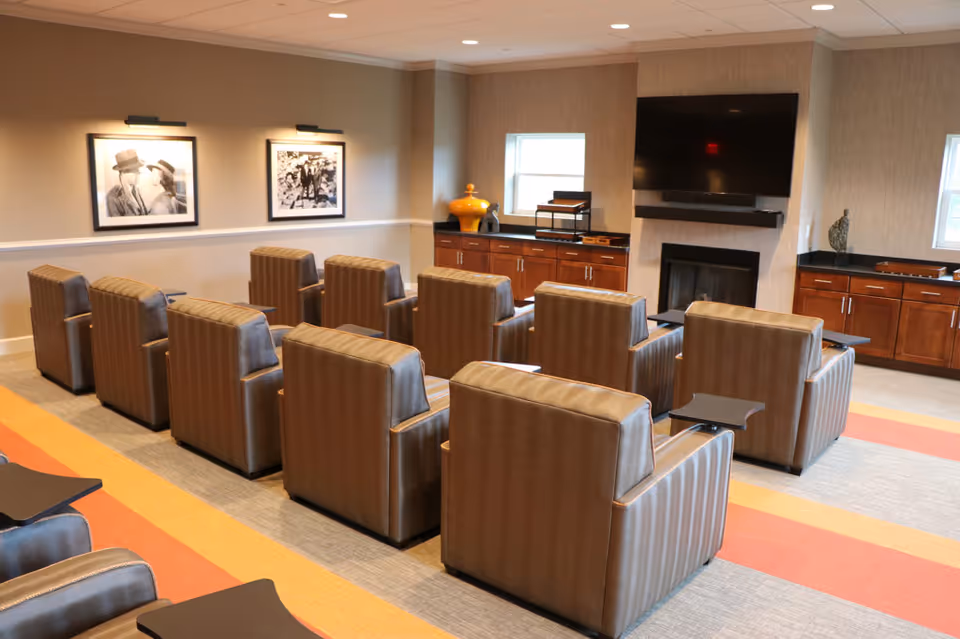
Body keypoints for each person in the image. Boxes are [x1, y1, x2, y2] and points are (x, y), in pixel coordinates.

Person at [106, 149, 147, 217]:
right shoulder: (114, 197)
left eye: (137, 170)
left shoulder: (136, 190)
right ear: (123, 174)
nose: (138, 174)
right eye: (134, 171)